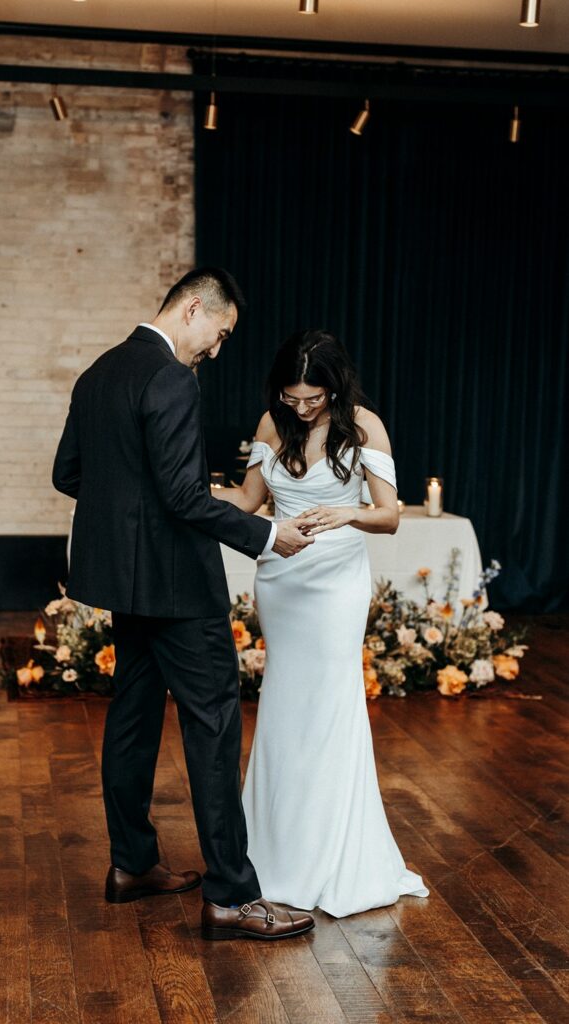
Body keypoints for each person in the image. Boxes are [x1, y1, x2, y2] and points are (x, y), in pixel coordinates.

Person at [52, 268, 316, 941]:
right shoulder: (170, 377)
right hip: (175, 586)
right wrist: (265, 533)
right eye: (219, 335)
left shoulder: (99, 373)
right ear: (194, 309)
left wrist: (128, 512)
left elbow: (68, 474)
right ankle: (231, 896)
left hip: (124, 582)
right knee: (214, 727)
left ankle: (132, 865)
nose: (216, 350)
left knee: (134, 717)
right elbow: (183, 498)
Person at [217, 328, 429, 917]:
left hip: (335, 585)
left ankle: (333, 853)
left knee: (333, 705)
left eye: (313, 399)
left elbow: (389, 517)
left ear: (334, 388)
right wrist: (190, 490)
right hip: (281, 580)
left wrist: (347, 512)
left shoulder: (365, 427)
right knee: (285, 703)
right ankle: (272, 851)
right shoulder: (272, 423)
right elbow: (250, 500)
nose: (303, 408)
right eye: (293, 398)